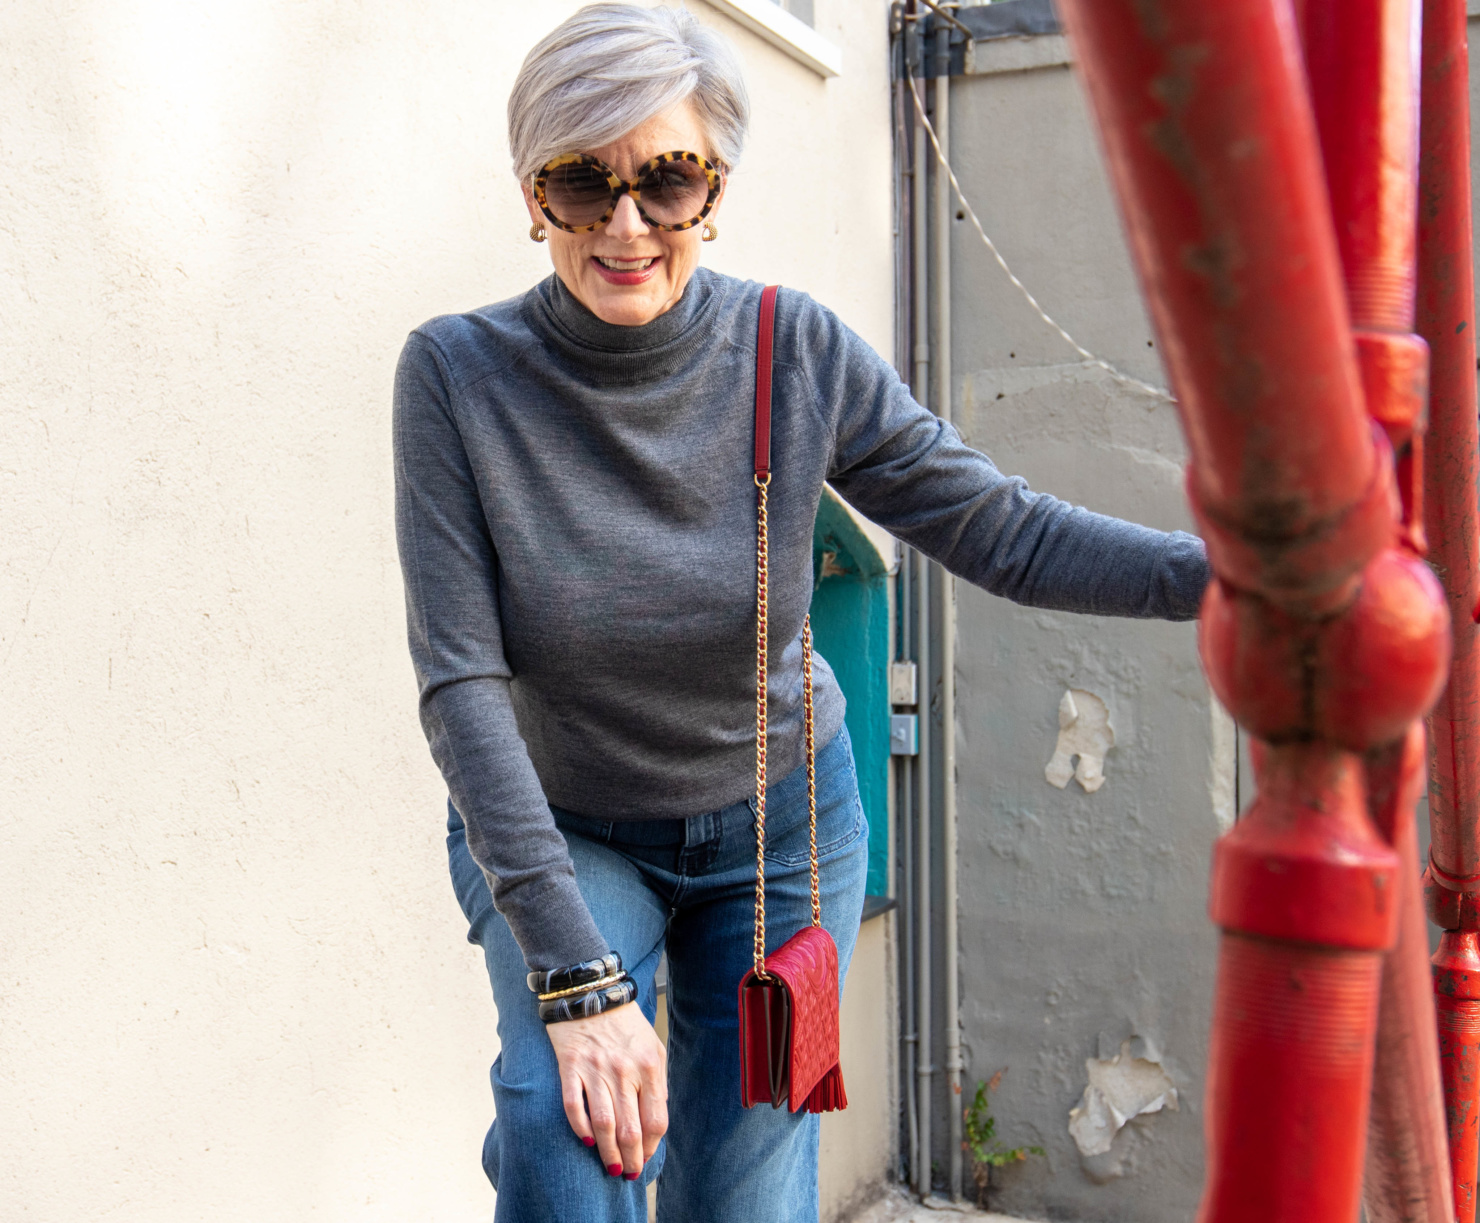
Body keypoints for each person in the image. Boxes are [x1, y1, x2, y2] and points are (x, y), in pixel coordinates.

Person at [392, 5, 1210, 1221]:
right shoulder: (458, 377)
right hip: (571, 830)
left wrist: (1236, 575)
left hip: (786, 838)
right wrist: (577, 986)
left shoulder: (792, 350)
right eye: (582, 181)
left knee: (750, 1184)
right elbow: (461, 683)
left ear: (712, 191)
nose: (626, 223)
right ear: (532, 195)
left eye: (666, 180)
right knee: (570, 1146)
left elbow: (1004, 529)